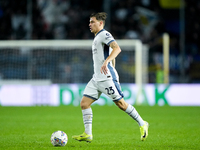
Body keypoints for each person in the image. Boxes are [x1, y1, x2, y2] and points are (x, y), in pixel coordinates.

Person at [72, 12, 149, 143]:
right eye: (89, 22)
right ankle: (88, 134)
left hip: (106, 78)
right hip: (96, 78)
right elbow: (110, 52)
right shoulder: (96, 37)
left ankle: (142, 123)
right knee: (84, 104)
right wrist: (110, 61)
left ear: (100, 23)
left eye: (92, 22)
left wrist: (108, 62)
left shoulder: (104, 34)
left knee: (121, 104)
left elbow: (117, 48)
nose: (89, 24)